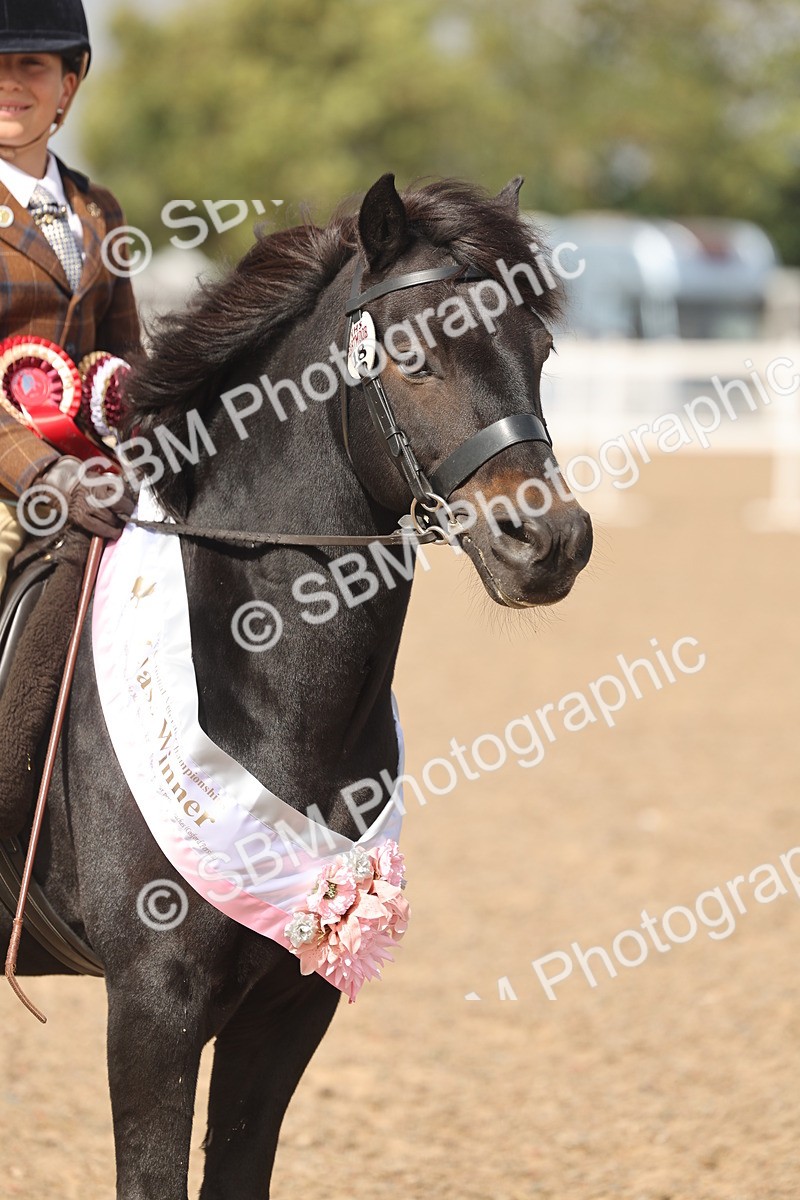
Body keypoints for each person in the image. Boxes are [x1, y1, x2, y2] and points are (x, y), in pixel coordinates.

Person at [0, 0, 139, 595]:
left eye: (31, 64)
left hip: (97, 472)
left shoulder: (100, 209)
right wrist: (47, 474)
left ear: (68, 84)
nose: (9, 81)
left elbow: (127, 352)